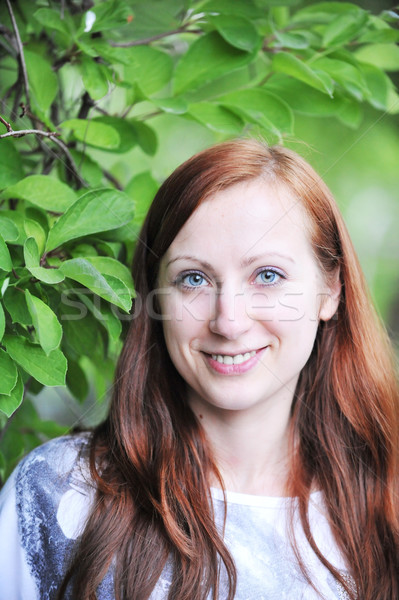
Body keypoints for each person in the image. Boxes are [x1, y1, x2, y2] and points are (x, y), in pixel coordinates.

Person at [0, 139, 398, 600]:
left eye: (267, 275)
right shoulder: (58, 494)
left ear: (330, 290)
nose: (228, 321)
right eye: (194, 279)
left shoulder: (384, 509)